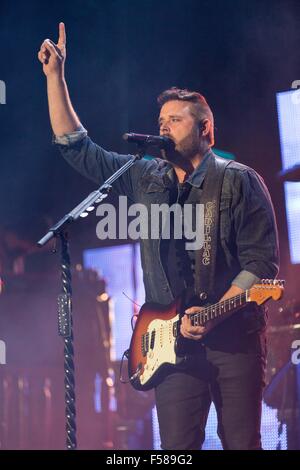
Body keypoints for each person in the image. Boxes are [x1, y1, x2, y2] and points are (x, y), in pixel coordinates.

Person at [38, 23, 279, 450]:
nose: (163, 127)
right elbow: (77, 147)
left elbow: (260, 266)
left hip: (232, 341)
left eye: (175, 120)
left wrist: (214, 315)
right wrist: (56, 79)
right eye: (160, 121)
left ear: (205, 128)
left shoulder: (239, 181)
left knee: (241, 443)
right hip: (168, 345)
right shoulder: (146, 176)